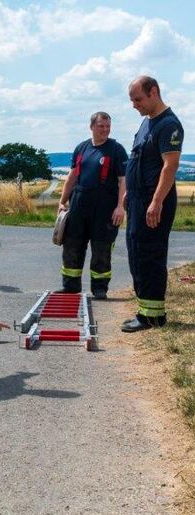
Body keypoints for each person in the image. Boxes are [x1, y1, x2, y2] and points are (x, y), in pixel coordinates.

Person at [122, 76, 183, 332]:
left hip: (153, 201)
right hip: (137, 200)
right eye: (132, 100)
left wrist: (156, 202)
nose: (135, 105)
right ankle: (144, 311)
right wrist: (129, 192)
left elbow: (170, 166)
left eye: (138, 99)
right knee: (136, 252)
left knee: (150, 256)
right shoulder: (147, 124)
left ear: (154, 92)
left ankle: (153, 316)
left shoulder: (168, 125)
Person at [57, 112, 128, 299]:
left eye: (108, 126)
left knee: (101, 249)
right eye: (101, 126)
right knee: (72, 246)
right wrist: (62, 201)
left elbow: (123, 181)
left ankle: (99, 289)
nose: (105, 129)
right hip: (79, 204)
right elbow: (72, 176)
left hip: (105, 208)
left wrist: (121, 206)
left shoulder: (116, 150)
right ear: (92, 127)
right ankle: (71, 286)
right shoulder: (81, 148)